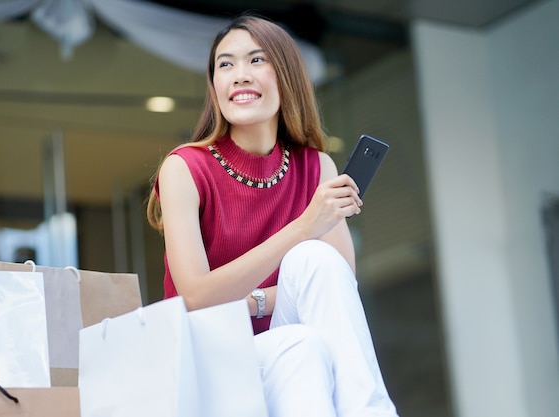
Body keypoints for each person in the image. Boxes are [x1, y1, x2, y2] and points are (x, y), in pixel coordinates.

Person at [146, 13, 398, 417]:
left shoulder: (317, 167)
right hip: (206, 355)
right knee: (303, 341)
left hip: (283, 343)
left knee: (311, 288)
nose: (239, 75)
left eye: (256, 61)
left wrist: (252, 301)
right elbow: (194, 298)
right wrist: (303, 227)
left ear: (286, 76)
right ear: (214, 86)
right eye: (225, 65)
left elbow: (334, 293)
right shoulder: (186, 167)